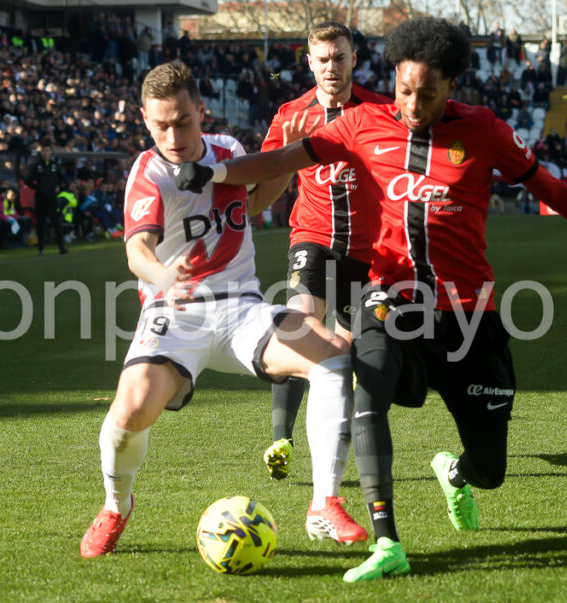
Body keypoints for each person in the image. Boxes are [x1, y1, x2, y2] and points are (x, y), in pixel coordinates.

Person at [173, 17, 567, 582]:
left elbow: (553, 190)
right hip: (389, 300)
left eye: (427, 93)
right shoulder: (362, 123)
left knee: (491, 468)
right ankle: (386, 540)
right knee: (365, 387)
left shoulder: (485, 130)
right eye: (403, 89)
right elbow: (278, 162)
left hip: (470, 317)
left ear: (451, 87)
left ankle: (457, 473)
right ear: (393, 78)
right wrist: (211, 171)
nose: (413, 104)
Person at [79, 62, 367, 559]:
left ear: (200, 112)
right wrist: (167, 277)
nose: (173, 135)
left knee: (334, 355)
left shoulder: (228, 151)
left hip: (240, 308)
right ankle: (115, 505)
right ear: (145, 120)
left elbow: (254, 204)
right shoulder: (148, 174)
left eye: (183, 122)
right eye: (161, 125)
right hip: (175, 313)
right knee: (130, 409)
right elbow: (136, 252)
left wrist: (285, 163)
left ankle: (324, 503)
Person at [257, 21, 391, 482]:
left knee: (340, 351)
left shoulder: (381, 111)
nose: (331, 67)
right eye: (323, 59)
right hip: (311, 238)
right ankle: (282, 437)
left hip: (365, 249)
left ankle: (332, 446)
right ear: (309, 62)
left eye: (339, 57)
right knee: (297, 329)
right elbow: (263, 190)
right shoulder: (291, 114)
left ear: (354, 58)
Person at [28, 143, 68, 255]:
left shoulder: (55, 165)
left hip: (52, 197)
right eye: (43, 150)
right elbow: (28, 179)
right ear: (41, 152)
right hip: (40, 198)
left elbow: (62, 179)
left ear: (50, 152)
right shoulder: (37, 166)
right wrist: (37, 187)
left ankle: (61, 247)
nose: (45, 153)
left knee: (56, 222)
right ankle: (41, 248)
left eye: (47, 150)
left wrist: (58, 187)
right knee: (40, 223)